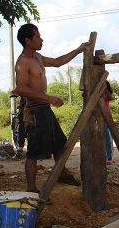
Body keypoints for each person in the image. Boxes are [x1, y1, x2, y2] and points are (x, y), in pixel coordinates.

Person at [14, 23, 89, 193]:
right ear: (28, 40)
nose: (41, 39)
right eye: (37, 37)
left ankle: (61, 174)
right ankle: (31, 188)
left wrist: (78, 49)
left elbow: (56, 62)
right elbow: (22, 88)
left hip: (44, 108)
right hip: (34, 110)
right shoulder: (23, 62)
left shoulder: (37, 57)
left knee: (59, 144)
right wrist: (49, 98)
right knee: (33, 152)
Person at [104, 81, 115, 165]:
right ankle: (104, 157)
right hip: (98, 121)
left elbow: (111, 98)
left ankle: (109, 157)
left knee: (108, 140)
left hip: (106, 120)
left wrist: (105, 90)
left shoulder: (106, 95)